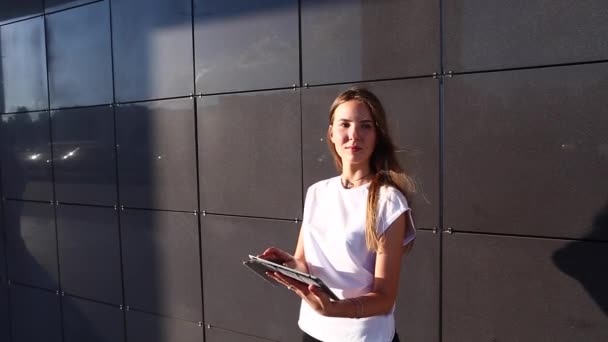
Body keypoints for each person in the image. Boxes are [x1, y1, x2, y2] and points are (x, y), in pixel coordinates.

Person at [260, 87, 416, 342]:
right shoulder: (317, 192)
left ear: (377, 135)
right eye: (345, 124)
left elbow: (385, 299)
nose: (354, 134)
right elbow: (304, 263)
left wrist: (335, 309)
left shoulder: (388, 201)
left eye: (365, 126)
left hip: (363, 337)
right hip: (314, 329)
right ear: (331, 133)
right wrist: (288, 265)